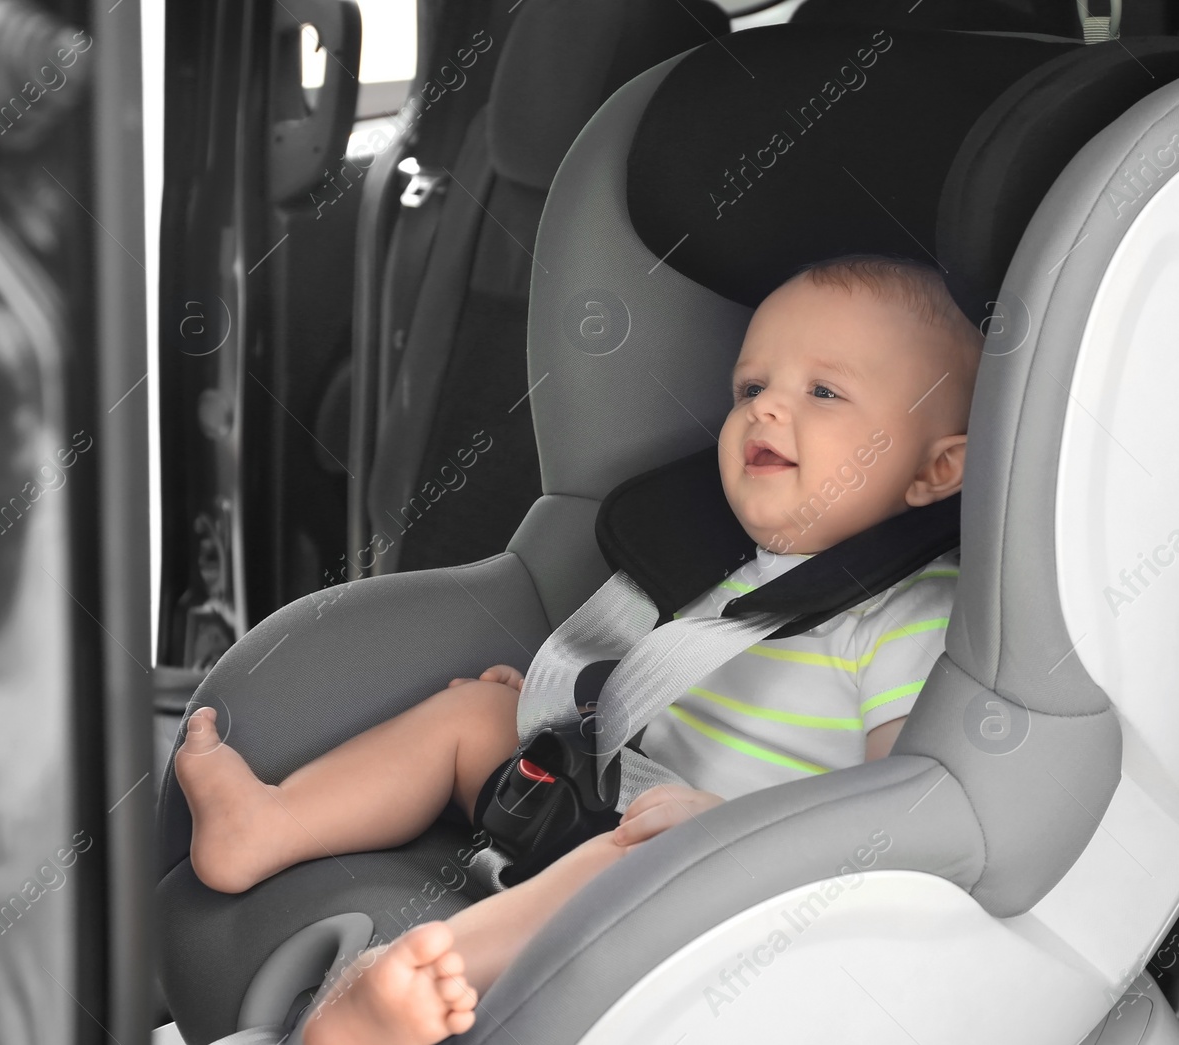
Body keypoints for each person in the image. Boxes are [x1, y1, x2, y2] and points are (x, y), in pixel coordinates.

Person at [173, 253, 983, 1045]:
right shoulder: (727, 566)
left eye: (825, 390)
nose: (766, 410)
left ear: (936, 470)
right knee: (475, 712)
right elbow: (663, 687)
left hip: (738, 876)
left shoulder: (911, 613)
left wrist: (727, 830)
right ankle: (268, 823)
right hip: (622, 795)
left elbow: (896, 817)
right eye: (751, 386)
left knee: (632, 854)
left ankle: (401, 990)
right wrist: (555, 708)